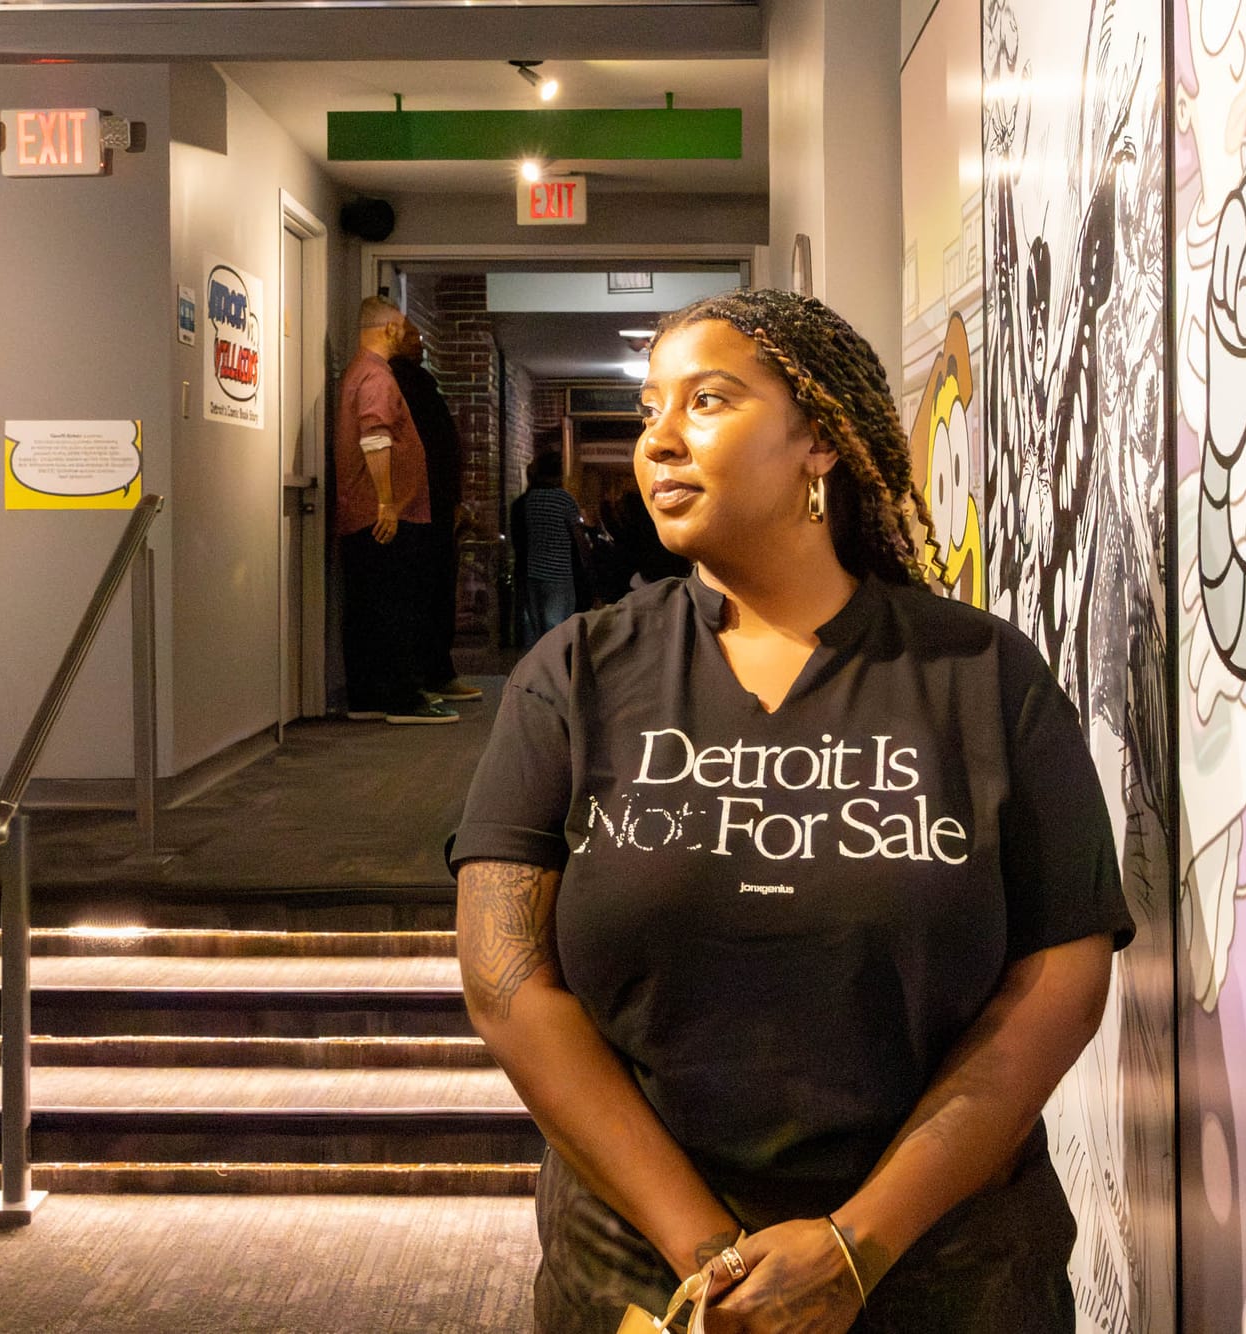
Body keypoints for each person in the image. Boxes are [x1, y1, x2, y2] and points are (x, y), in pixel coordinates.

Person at [449, 289, 1132, 1333]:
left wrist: (856, 1246)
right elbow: (507, 982)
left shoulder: (981, 675)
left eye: (707, 401)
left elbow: (1060, 976)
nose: (658, 439)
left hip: (943, 1269)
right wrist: (712, 1258)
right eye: (649, 410)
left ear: (819, 441)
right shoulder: (575, 673)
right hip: (645, 1277)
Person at [333, 297, 458, 725]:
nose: (408, 336)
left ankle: (368, 696)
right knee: (395, 606)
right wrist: (387, 501)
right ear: (388, 329)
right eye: (403, 328)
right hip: (385, 516)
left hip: (364, 512)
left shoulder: (358, 371)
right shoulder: (377, 376)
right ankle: (402, 698)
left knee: (368, 607)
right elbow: (375, 437)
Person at [389, 322, 483, 704]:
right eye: (414, 337)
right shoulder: (399, 383)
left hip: (435, 503)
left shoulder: (418, 382)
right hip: (420, 505)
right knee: (426, 592)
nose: (422, 344)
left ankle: (436, 672)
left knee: (438, 590)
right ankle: (425, 676)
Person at [508, 450, 587, 651]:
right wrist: (587, 567)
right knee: (557, 628)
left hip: (532, 572)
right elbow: (579, 538)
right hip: (560, 574)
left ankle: (533, 665)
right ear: (558, 473)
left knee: (532, 629)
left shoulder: (527, 500)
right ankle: (554, 665)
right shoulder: (565, 499)